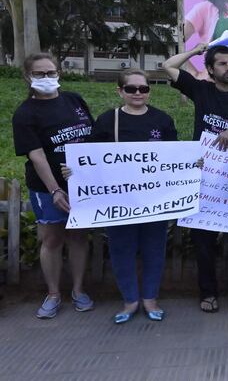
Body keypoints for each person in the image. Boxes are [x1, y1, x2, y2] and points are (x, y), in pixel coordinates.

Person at [68, 70, 177, 323]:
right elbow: (91, 158)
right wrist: (74, 169)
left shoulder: (162, 120)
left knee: (154, 250)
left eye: (143, 88)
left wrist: (192, 164)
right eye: (131, 89)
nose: (138, 93)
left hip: (154, 201)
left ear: (150, 91)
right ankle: (130, 300)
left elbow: (174, 157)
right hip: (118, 202)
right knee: (121, 250)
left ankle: (150, 299)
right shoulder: (108, 120)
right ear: (120, 91)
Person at [163, 43, 228, 313]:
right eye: (222, 64)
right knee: (203, 239)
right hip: (203, 176)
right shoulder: (200, 90)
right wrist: (196, 50)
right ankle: (207, 292)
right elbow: (168, 67)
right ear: (210, 69)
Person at [12, 53, 94, 318]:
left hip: (81, 184)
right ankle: (53, 293)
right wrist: (54, 189)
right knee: (52, 238)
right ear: (28, 77)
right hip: (46, 186)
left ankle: (79, 290)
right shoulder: (25, 114)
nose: (47, 78)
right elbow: (36, 155)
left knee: (79, 236)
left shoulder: (74, 100)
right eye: (40, 74)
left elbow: (91, 138)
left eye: (51, 72)